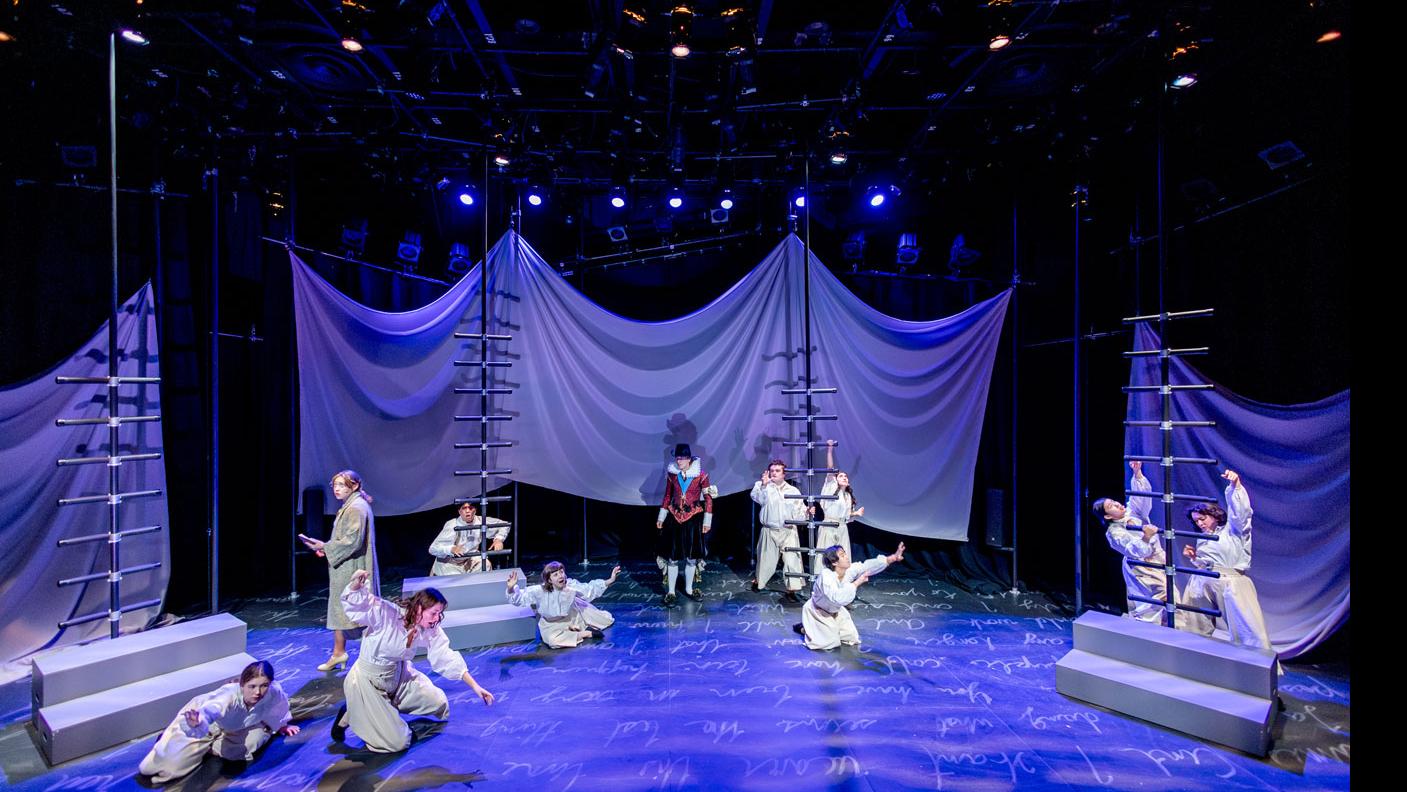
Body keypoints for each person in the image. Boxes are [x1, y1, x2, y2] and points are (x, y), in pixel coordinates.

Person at [329, 569, 494, 753]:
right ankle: (351, 712)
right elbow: (361, 607)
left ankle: (382, 710)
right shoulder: (387, 614)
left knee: (438, 703)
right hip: (368, 681)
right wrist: (354, 588)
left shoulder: (429, 628)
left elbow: (445, 655)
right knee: (397, 742)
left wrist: (475, 686)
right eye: (433, 613)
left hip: (399, 677)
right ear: (419, 608)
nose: (437, 618)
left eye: (440, 613)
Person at [137, 660, 297, 783]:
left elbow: (279, 707)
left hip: (239, 725)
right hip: (203, 722)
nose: (258, 692)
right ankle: (174, 738)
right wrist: (198, 722)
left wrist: (282, 725)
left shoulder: (273, 692)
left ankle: (209, 747)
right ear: (242, 684)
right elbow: (211, 709)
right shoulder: (228, 695)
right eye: (252, 686)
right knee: (170, 768)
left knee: (246, 747)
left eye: (264, 686)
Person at [1181, 470, 1276, 654]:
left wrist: (1235, 487)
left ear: (1214, 515)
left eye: (1203, 518)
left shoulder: (1233, 531)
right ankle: (1193, 659)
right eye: (1196, 521)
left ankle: (1257, 668)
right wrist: (1195, 559)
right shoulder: (1203, 538)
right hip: (1203, 580)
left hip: (1231, 581)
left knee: (1248, 630)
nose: (1200, 523)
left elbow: (1240, 514)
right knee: (1194, 624)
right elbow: (1208, 562)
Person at [299, 469, 381, 672]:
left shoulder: (356, 508)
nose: (337, 489)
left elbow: (353, 541)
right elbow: (344, 539)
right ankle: (338, 653)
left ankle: (373, 656)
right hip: (345, 564)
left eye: (342, 485)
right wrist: (326, 549)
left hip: (353, 567)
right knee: (340, 607)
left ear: (354, 486)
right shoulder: (351, 505)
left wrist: (324, 547)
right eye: (335, 485)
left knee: (357, 608)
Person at [795, 543, 905, 650]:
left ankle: (822, 628)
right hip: (818, 611)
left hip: (835, 610)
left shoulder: (848, 571)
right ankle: (805, 628)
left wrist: (893, 558)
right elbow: (836, 597)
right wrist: (857, 583)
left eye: (845, 554)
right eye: (842, 555)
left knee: (851, 637)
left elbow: (866, 566)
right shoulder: (826, 576)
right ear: (834, 562)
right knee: (829, 642)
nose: (846, 557)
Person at [506, 561, 620, 648]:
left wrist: (610, 580)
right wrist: (511, 588)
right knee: (552, 641)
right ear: (549, 580)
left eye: (561, 572)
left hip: (573, 615)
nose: (560, 576)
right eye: (555, 574)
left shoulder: (570, 585)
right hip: (552, 625)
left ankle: (574, 628)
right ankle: (585, 634)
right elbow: (520, 598)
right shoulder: (539, 591)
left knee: (605, 620)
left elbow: (589, 589)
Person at [655, 443, 715, 605]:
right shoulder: (672, 474)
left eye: (682, 458)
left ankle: (689, 589)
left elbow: (708, 499)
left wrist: (707, 520)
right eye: (677, 458)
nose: (679, 461)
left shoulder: (701, 475)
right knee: (672, 558)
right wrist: (661, 517)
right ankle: (671, 592)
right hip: (674, 519)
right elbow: (667, 496)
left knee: (691, 558)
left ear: (689, 459)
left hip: (693, 519)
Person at [750, 459, 811, 602]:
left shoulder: (793, 491)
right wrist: (764, 485)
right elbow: (758, 498)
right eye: (772, 470)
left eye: (777, 471)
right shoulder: (762, 485)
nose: (774, 473)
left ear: (784, 474)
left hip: (788, 531)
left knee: (792, 561)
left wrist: (807, 512)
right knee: (765, 561)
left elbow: (799, 512)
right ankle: (759, 582)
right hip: (769, 530)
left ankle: (792, 590)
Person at [814, 441, 865, 575]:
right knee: (826, 555)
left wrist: (856, 513)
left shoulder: (847, 496)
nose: (844, 477)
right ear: (835, 479)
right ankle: (823, 581)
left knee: (843, 555)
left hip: (842, 527)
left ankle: (841, 581)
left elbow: (846, 515)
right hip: (829, 526)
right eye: (841, 475)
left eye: (846, 476)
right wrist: (830, 450)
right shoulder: (830, 486)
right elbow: (830, 467)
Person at [429, 501, 510, 575]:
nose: (468, 511)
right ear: (459, 511)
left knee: (485, 565)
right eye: (464, 508)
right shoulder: (452, 525)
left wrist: (499, 539)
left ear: (475, 510)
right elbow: (433, 549)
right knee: (455, 581)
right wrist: (451, 549)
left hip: (469, 559)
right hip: (450, 563)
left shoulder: (480, 521)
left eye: (470, 508)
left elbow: (505, 525)